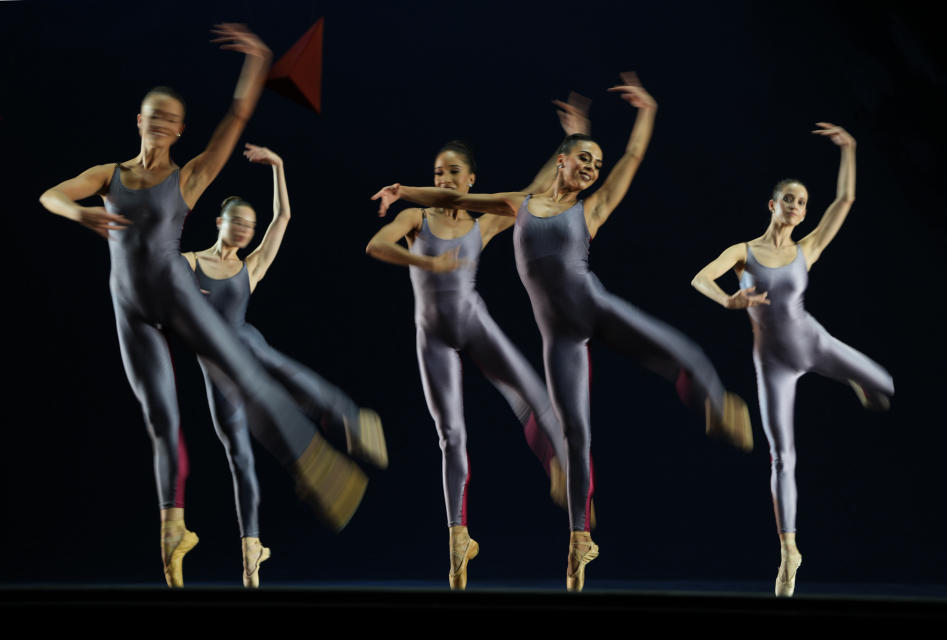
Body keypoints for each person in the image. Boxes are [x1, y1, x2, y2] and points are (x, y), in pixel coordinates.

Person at [372, 74, 752, 591]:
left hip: (597, 309)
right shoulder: (516, 205)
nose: (594, 168)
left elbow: (632, 161)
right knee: (576, 436)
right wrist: (401, 191)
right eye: (585, 159)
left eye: (597, 163)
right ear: (562, 161)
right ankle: (578, 544)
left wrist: (648, 111)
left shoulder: (588, 209)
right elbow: (453, 198)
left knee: (679, 351)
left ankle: (716, 405)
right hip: (560, 340)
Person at [39, 24, 369, 587]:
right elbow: (51, 194)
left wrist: (259, 61)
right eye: (154, 115)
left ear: (179, 130)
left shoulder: (187, 177)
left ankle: (314, 460)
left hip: (174, 293)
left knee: (242, 368)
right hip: (129, 307)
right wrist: (81, 213)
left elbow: (236, 118)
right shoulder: (108, 176)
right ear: (139, 121)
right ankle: (174, 531)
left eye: (172, 119)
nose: (162, 124)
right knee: (160, 418)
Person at [365, 95, 591, 589]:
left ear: (471, 182)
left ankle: (565, 484)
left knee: (533, 392)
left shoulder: (482, 221)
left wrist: (569, 140)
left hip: (472, 322)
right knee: (451, 436)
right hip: (432, 337)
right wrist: (426, 262)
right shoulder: (416, 221)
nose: (443, 181)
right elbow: (376, 245)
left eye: (452, 174)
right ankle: (457, 540)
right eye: (437, 173)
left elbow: (535, 191)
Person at [690, 123, 894, 597]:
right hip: (774, 365)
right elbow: (701, 277)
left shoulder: (808, 249)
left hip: (813, 343)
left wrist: (850, 149)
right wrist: (727, 301)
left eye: (802, 202)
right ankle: (789, 551)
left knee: (884, 386)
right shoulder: (744, 253)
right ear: (773, 204)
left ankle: (854, 381)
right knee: (783, 456)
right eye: (790, 200)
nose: (797, 208)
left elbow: (844, 202)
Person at [182, 143, 387, 587]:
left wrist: (278, 166)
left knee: (259, 351)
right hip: (217, 374)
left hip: (248, 350)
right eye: (237, 222)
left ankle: (347, 419)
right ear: (220, 222)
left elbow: (284, 220)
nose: (244, 231)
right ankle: (251, 547)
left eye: (250, 226)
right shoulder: (188, 264)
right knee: (240, 459)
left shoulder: (251, 268)